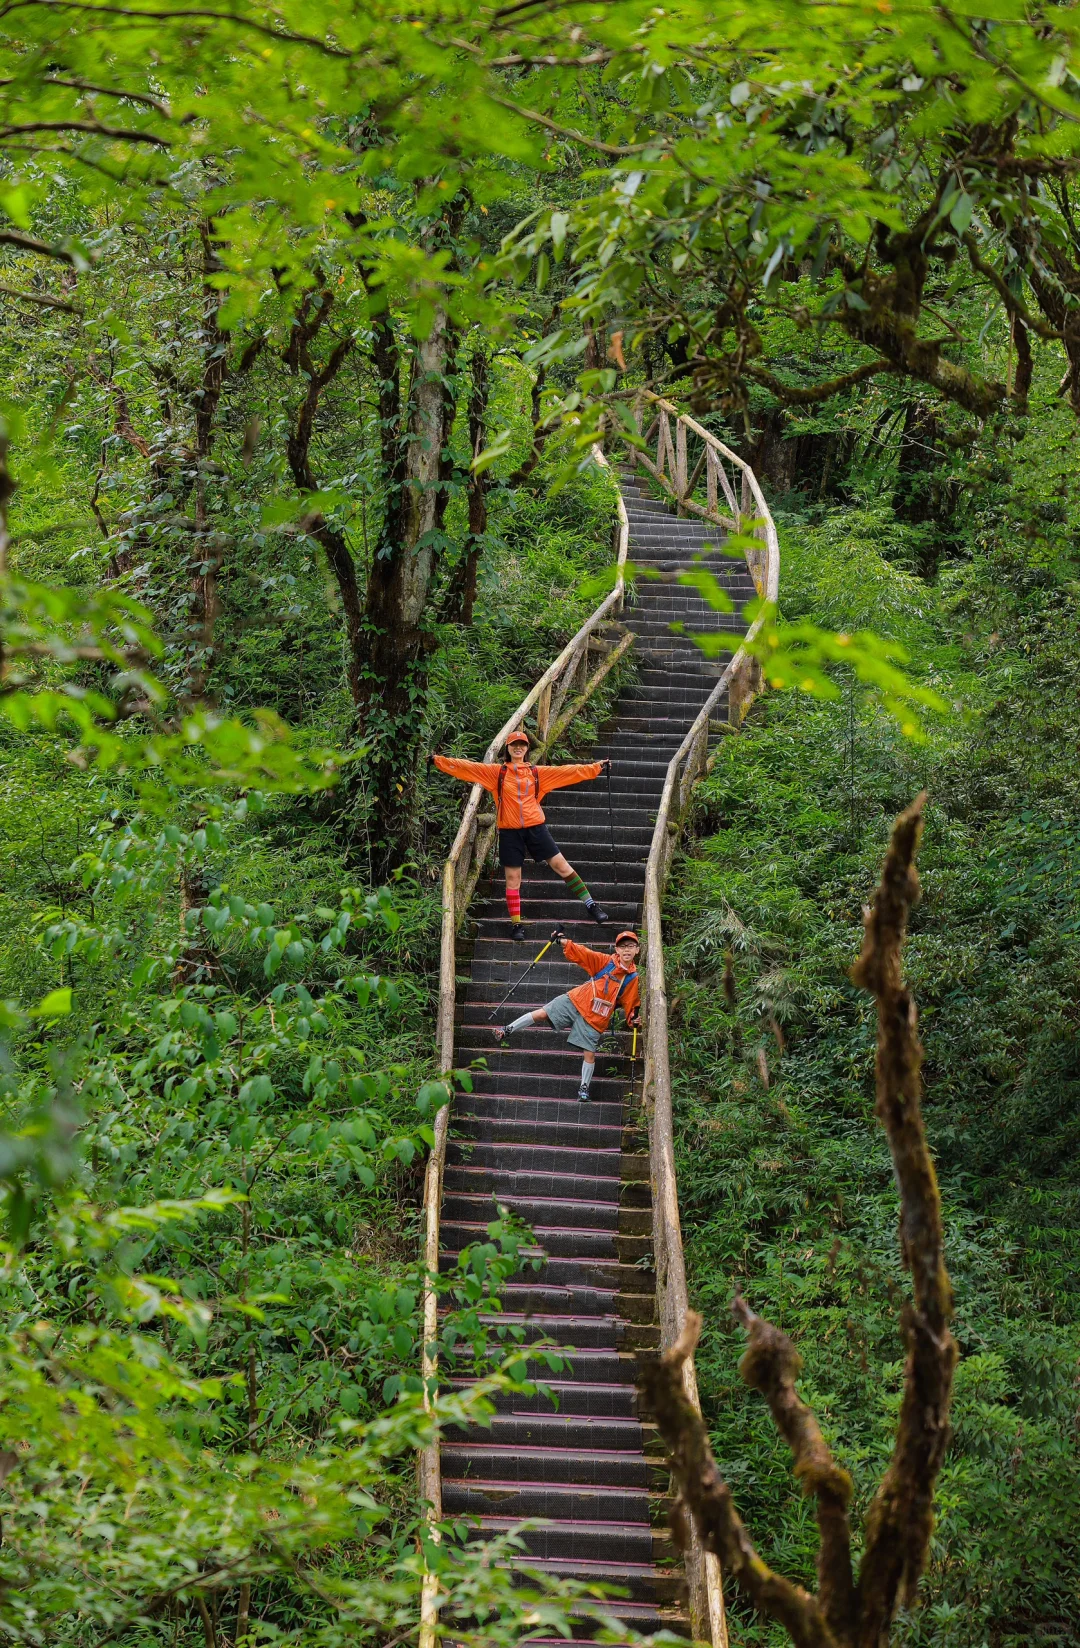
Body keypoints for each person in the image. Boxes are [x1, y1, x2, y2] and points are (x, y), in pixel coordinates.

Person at [432, 728, 611, 940]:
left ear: (527, 749)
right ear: (508, 748)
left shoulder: (537, 773)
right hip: (509, 832)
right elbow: (467, 768)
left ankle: (591, 905)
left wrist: (596, 767)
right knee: (512, 878)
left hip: (536, 829)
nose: (518, 748)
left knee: (562, 866)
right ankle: (516, 925)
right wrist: (438, 761)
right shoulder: (496, 773)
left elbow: (569, 772)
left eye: (522, 745)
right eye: (514, 744)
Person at [493, 929, 641, 1101]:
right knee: (543, 1013)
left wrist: (633, 1020)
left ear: (637, 950)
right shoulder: (605, 962)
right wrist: (562, 942)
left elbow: (631, 1004)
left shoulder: (632, 978)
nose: (627, 950)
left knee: (589, 1053)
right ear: (616, 949)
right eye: (623, 946)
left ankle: (583, 1089)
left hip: (596, 1016)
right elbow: (584, 953)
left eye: (631, 946)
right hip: (576, 999)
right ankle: (508, 1029)